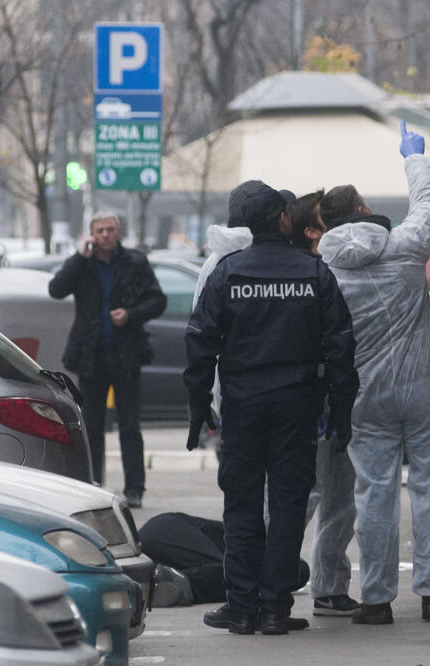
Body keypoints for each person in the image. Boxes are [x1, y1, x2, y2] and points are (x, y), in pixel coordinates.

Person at [185, 184, 359, 636]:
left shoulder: (228, 273)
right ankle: (276, 608)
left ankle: (243, 608)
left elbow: (200, 341)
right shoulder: (313, 273)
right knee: (287, 504)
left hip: (243, 406)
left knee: (242, 505)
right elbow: (340, 345)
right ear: (283, 219)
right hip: (296, 406)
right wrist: (341, 408)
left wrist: (198, 403)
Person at [317, 121, 430, 625]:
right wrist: (413, 158)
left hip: (365, 394)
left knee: (373, 491)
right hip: (425, 386)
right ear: (362, 209)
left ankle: (376, 600)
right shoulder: (405, 246)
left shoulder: (326, 272)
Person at [48, 211, 166, 508]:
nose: (105, 235)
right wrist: (79, 257)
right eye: (100, 230)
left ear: (119, 232)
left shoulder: (135, 262)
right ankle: (93, 485)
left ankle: (135, 489)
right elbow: (56, 290)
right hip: (90, 356)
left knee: (129, 426)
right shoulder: (83, 264)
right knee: (91, 427)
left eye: (110, 229)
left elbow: (158, 300)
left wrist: (131, 315)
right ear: (91, 234)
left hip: (126, 355)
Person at [286, 191, 361, 617]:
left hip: (335, 399)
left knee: (340, 497)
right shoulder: (309, 274)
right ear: (313, 232)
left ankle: (329, 587)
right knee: (305, 494)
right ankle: (267, 582)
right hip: (313, 402)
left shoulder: (331, 267)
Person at [138, 512, 309, 610]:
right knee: (238, 575)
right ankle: (175, 583)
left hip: (159, 533)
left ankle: (172, 582)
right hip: (163, 533)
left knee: (293, 570)